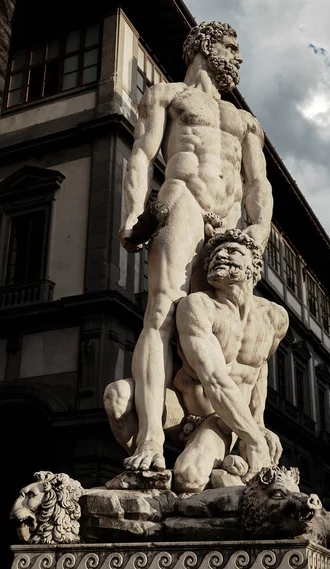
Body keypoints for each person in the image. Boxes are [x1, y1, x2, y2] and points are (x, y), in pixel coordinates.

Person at [119, 21, 274, 471]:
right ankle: (150, 435)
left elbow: (258, 183)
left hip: (229, 224)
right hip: (181, 200)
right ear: (204, 46)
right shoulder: (167, 95)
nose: (239, 58)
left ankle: (216, 431)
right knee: (163, 311)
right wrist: (132, 214)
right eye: (231, 47)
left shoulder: (245, 122)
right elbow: (142, 156)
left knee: (228, 328)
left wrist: (259, 228)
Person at [172, 229, 288, 491]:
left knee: (188, 476)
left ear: (253, 266)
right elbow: (214, 378)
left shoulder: (274, 317)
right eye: (214, 254)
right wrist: (255, 438)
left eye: (233, 251)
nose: (220, 255)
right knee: (117, 396)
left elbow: (259, 370)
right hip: (185, 410)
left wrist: (258, 424)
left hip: (228, 420)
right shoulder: (197, 305)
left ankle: (223, 475)